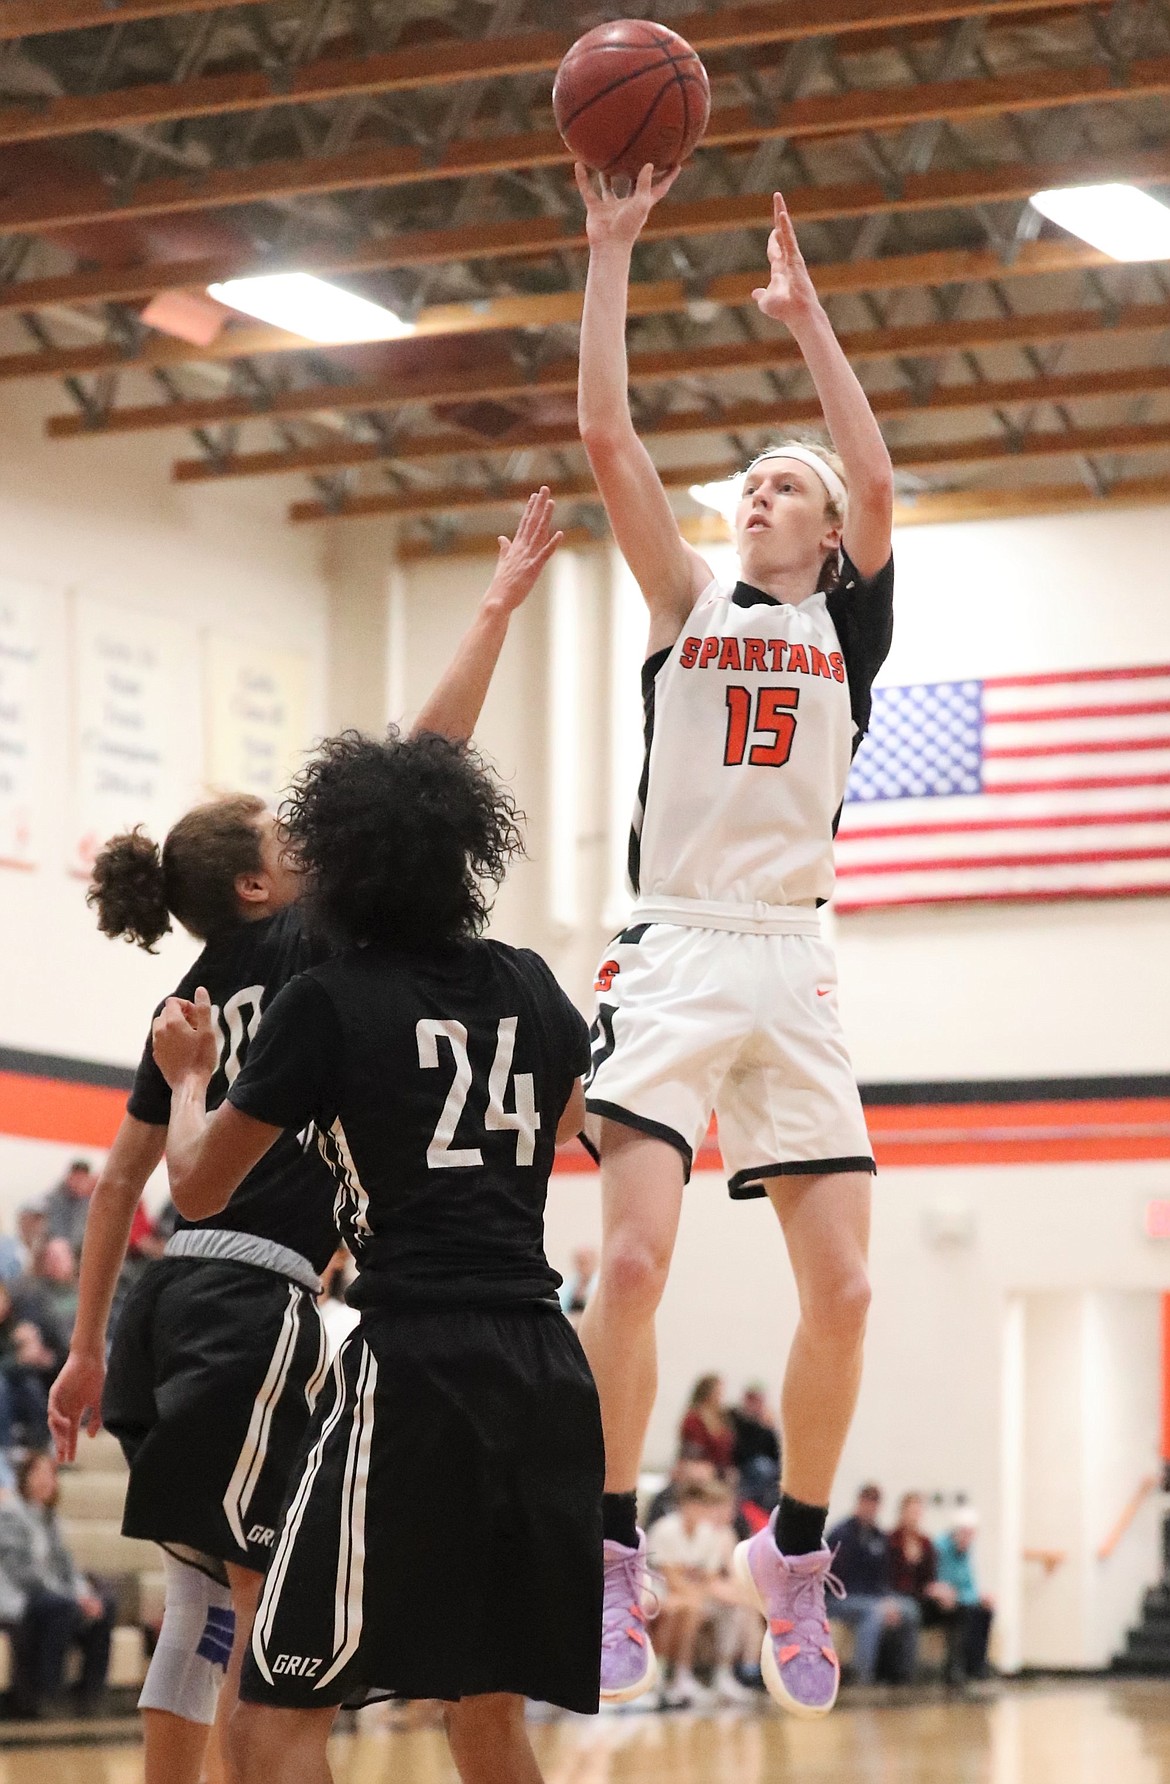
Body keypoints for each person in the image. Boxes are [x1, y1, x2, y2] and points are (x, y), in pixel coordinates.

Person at [48, 492, 564, 1784]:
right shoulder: (344, 960)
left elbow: (130, 1182)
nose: (310, 842)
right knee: (310, 1651)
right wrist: (494, 608)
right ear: (266, 884)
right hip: (298, 1302)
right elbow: (420, 761)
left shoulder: (201, 993)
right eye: (289, 838)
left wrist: (85, 1345)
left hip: (176, 1303)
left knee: (204, 1611)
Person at [573, 159, 895, 1717]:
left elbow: (878, 479)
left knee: (843, 1297)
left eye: (787, 482)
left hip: (796, 955)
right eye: (751, 480)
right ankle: (612, 1549)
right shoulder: (685, 598)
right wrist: (608, 247)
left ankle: (797, 1555)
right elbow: (606, 437)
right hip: (675, 946)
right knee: (630, 1258)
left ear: (829, 530)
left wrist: (806, 317)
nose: (759, 488)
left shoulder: (851, 619)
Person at [149, 726, 602, 1784]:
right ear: (463, 856)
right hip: (544, 1366)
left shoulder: (328, 1001)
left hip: (415, 1367)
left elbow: (197, 1185)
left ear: (345, 868)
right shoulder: (532, 981)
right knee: (488, 1721)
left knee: (269, 1723)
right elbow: (575, 1113)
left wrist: (188, 1077)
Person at [0, 1451, 115, 1718]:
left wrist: (85, 1594)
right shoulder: (9, 1515)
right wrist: (73, 1598)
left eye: (50, 1474)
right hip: (19, 1597)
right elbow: (25, 1574)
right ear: (24, 1479)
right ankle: (47, 1695)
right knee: (60, 1607)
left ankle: (90, 1696)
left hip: (51, 1597)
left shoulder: (51, 1519)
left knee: (105, 1607)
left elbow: (68, 1568)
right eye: (38, 1473)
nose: (45, 1480)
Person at [647, 1480, 758, 1708]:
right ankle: (663, 1677)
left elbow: (709, 1577)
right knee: (685, 1609)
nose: (704, 1510)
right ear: (684, 1505)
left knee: (733, 1608)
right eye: (699, 1505)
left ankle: (722, 1675)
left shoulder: (709, 1534)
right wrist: (697, 1595)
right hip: (658, 1591)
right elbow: (671, 1578)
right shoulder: (665, 1529)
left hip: (694, 1593)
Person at [827, 1485, 919, 1686]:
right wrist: (878, 1603)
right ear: (859, 1503)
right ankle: (863, 1676)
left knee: (910, 1610)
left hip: (872, 1598)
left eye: (875, 1504)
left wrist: (886, 1600)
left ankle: (903, 1676)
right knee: (874, 1612)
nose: (871, 1508)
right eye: (867, 1503)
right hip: (840, 1599)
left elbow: (882, 1578)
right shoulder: (841, 1534)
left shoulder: (879, 1536)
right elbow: (834, 1580)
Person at [935, 1508, 994, 1682]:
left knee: (984, 1611)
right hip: (940, 1599)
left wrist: (980, 1597)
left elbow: (969, 1585)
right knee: (963, 1611)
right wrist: (963, 1596)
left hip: (958, 1598)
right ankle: (955, 1668)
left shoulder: (966, 1552)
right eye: (965, 1533)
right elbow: (942, 1580)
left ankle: (977, 1666)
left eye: (971, 1534)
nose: (968, 1538)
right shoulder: (940, 1548)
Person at [730, 1384, 781, 1512]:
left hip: (764, 1466)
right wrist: (759, 1426)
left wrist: (768, 1428)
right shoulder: (737, 1419)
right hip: (745, 1465)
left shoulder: (765, 1425)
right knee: (762, 1467)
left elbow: (775, 1452)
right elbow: (742, 1449)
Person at [678, 1374, 735, 1476]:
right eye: (718, 1392)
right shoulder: (694, 1418)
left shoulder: (723, 1416)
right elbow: (691, 1451)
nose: (721, 1396)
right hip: (702, 1469)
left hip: (721, 1468)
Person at [41, 1163, 97, 1256]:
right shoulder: (55, 1199)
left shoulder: (88, 1201)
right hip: (59, 1247)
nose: (79, 1184)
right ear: (69, 1177)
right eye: (77, 1179)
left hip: (80, 1248)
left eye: (82, 1180)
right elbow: (56, 1229)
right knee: (58, 1248)